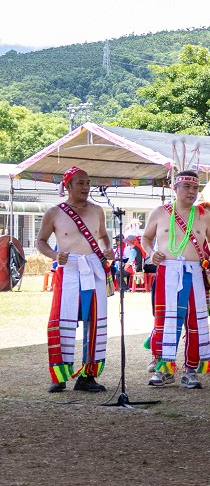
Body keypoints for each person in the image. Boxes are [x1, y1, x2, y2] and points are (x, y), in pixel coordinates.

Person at [36, 166, 115, 393]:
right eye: (80, 183)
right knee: (61, 321)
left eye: (88, 183)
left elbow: (102, 236)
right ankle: (59, 376)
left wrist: (107, 249)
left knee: (95, 322)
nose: (85, 187)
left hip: (93, 269)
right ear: (68, 185)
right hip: (68, 270)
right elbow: (40, 240)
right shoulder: (55, 212)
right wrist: (54, 255)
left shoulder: (98, 210)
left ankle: (88, 376)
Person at [141, 169, 210, 389]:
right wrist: (150, 252)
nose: (191, 192)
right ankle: (163, 368)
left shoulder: (204, 215)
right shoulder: (159, 212)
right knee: (165, 321)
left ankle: (191, 370)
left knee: (195, 322)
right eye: (186, 187)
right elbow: (146, 238)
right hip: (167, 271)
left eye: (195, 188)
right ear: (174, 188)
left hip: (194, 272)